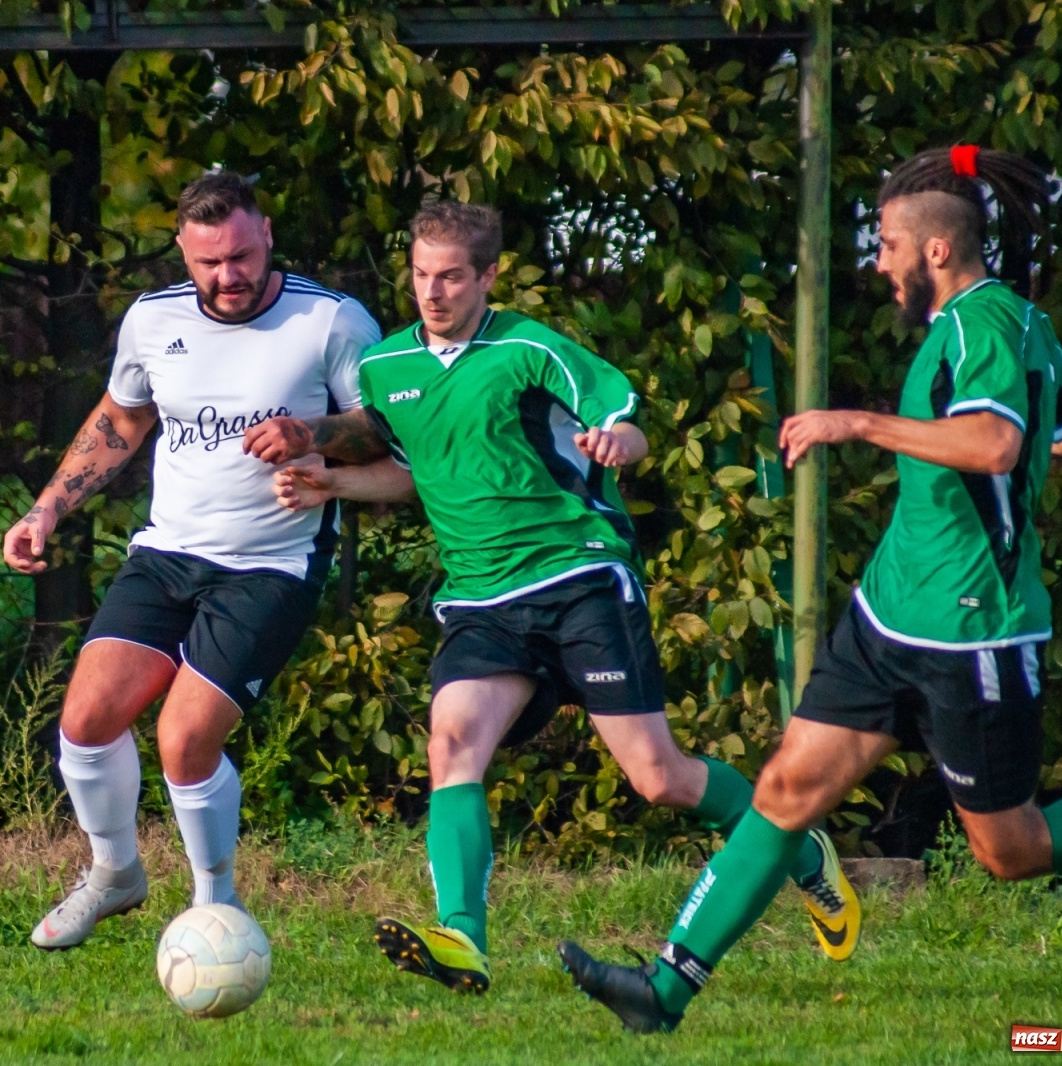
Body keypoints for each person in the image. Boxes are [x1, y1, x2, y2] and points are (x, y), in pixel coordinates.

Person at [554, 145, 1062, 1034]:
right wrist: (1023, 445)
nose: (878, 262)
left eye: (887, 245)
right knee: (784, 791)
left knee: (1012, 849)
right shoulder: (1007, 323)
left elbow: (996, 444)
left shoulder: (983, 327)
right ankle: (661, 992)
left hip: (971, 632)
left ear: (936, 250)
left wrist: (857, 423)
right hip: (888, 617)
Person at [246, 201, 856, 995]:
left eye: (451, 277)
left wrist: (617, 442)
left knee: (660, 779)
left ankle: (801, 848)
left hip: (576, 580)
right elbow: (414, 471)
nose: (432, 292)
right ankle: (463, 940)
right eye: (421, 275)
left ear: (488, 276)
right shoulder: (388, 367)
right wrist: (331, 480)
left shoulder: (529, 348)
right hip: (480, 600)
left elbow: (625, 421)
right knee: (451, 743)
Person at [1, 170, 380, 949]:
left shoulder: (331, 321)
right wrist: (47, 508)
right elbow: (122, 419)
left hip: (271, 566)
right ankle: (115, 874)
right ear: (182, 249)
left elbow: (386, 429)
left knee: (183, 740)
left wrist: (313, 434)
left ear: (266, 234)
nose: (228, 275)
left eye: (241, 256)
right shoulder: (153, 319)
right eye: (210, 262)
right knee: (85, 720)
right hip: (167, 553)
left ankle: (216, 910)